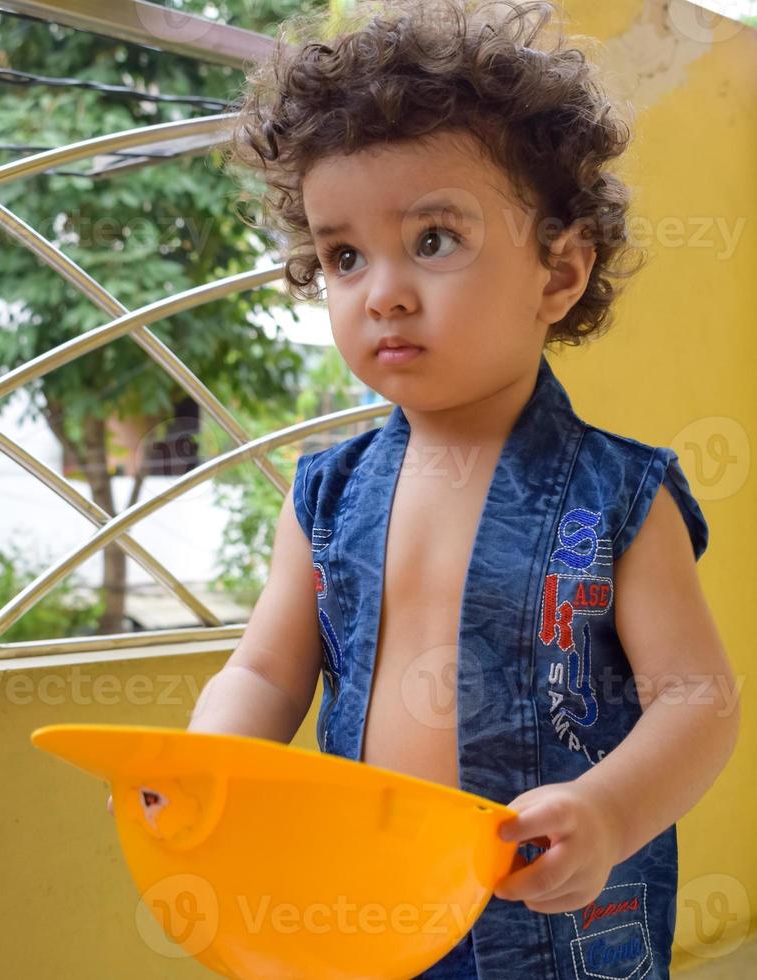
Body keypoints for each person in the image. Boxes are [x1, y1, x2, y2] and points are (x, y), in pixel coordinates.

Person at [109, 2, 741, 976]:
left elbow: (695, 699)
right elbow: (267, 672)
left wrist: (610, 809)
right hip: (360, 911)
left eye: (433, 240)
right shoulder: (323, 495)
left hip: (557, 927)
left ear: (558, 273)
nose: (381, 292)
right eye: (342, 255)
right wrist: (206, 765)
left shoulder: (619, 494)